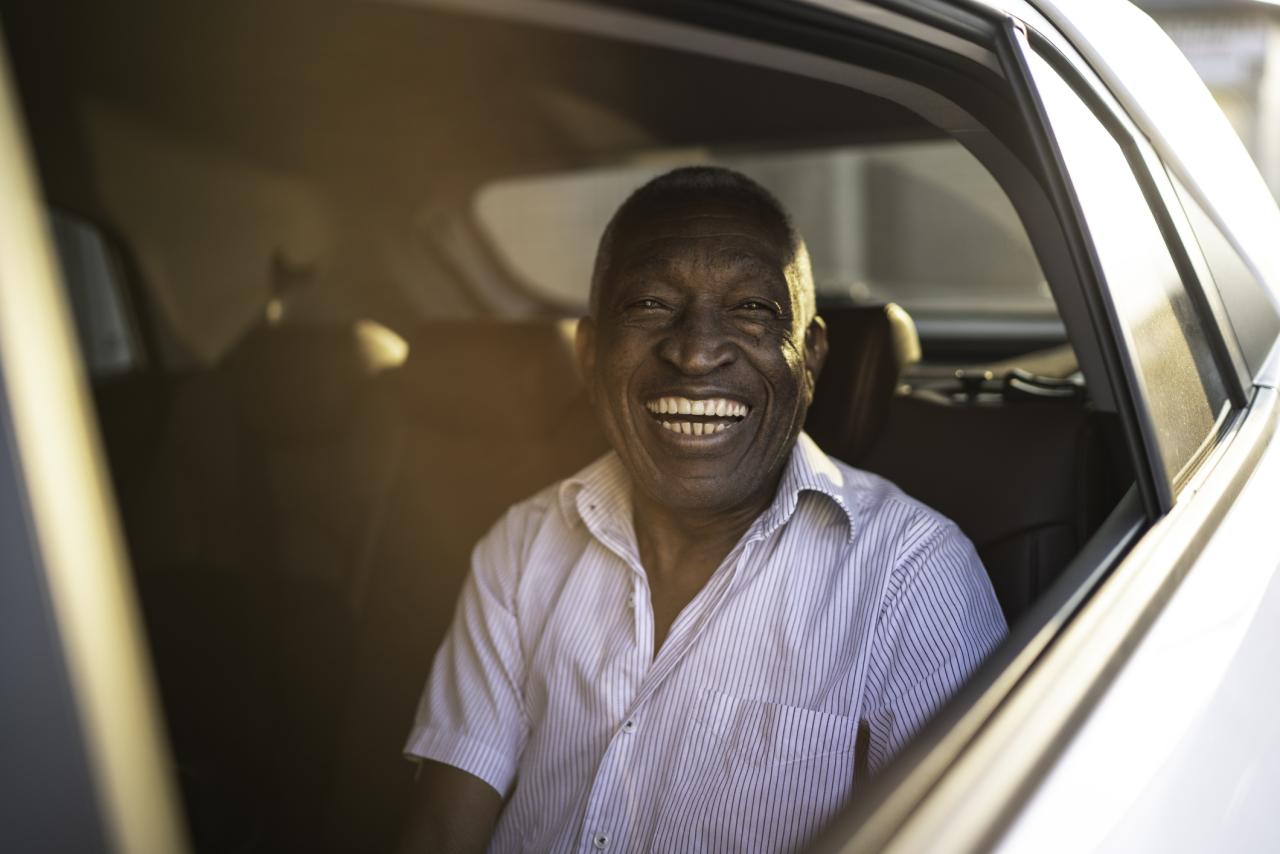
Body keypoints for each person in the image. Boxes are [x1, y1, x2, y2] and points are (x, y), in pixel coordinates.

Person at [397, 167, 1007, 853]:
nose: (694, 352)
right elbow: (443, 829)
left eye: (751, 309)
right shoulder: (522, 546)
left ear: (809, 358)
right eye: (651, 305)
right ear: (590, 353)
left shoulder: (913, 578)